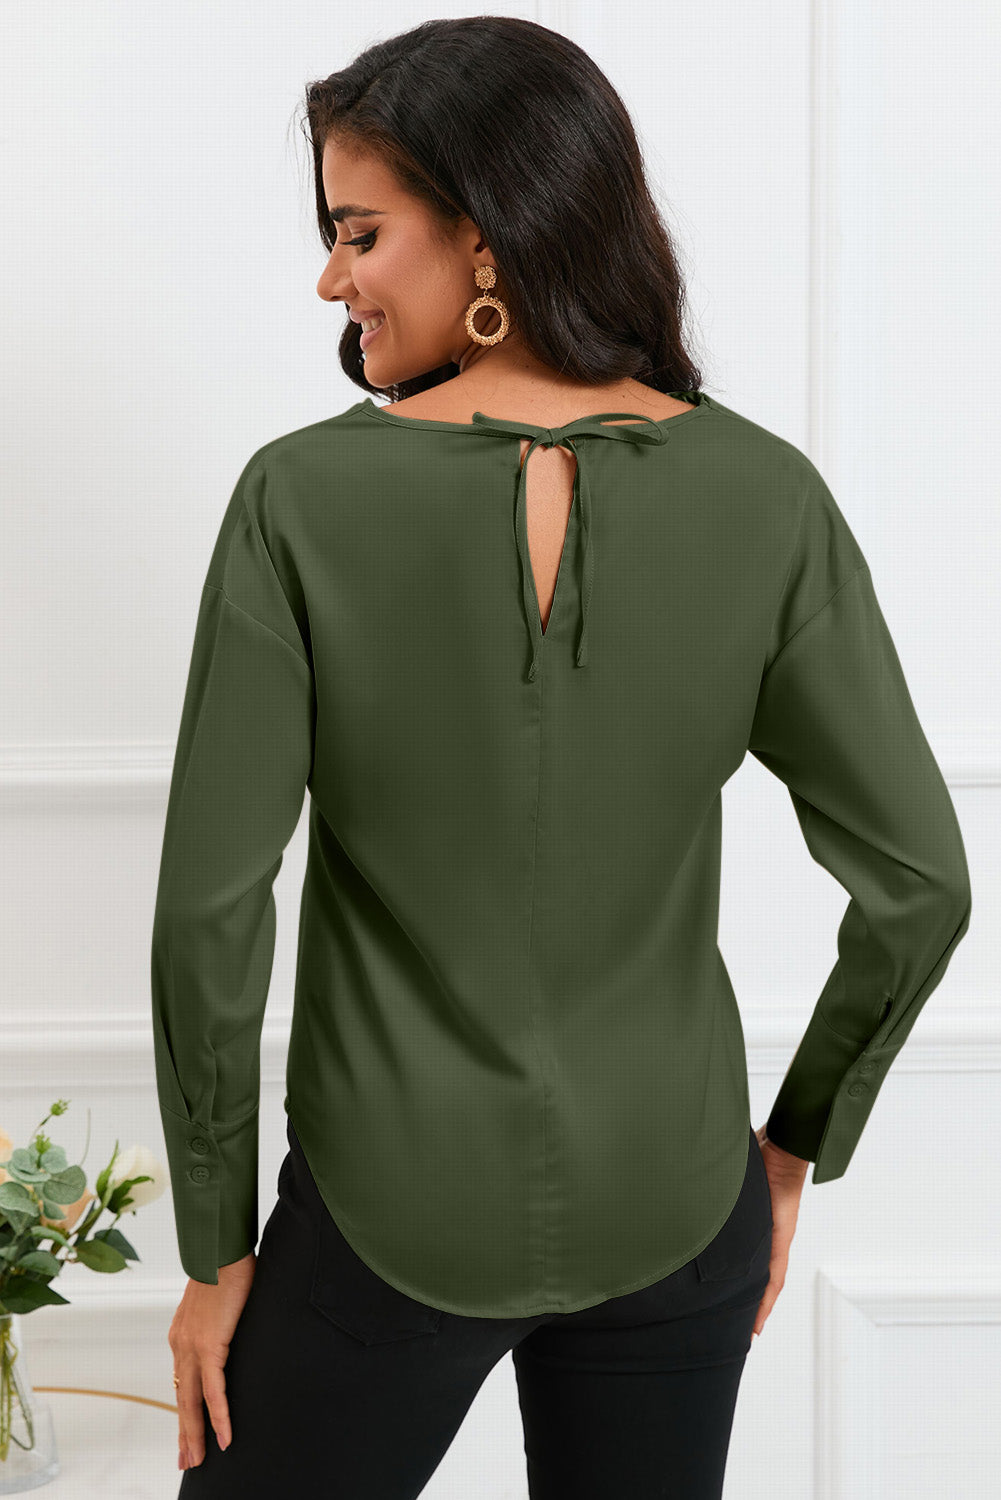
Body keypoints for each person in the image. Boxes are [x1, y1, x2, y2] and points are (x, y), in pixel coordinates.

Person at [151, 17, 972, 1498]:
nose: (332, 280)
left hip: (389, 1207)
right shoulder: (765, 498)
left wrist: (215, 1250)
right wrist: (791, 1150)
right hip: (680, 1203)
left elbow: (213, 911)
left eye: (359, 233)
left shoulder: (300, 501)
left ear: (483, 235)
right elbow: (922, 885)